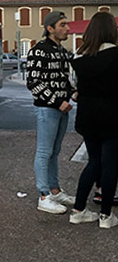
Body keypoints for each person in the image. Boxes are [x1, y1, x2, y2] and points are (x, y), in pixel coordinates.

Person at [70, 12, 118, 228]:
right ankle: (106, 215)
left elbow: (74, 86)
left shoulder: (78, 59)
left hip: (87, 116)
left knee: (94, 162)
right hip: (113, 116)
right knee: (111, 165)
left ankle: (78, 209)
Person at [26, 11, 76, 214]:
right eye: (63, 25)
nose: (67, 28)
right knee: (45, 151)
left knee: (54, 152)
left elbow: (64, 79)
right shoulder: (39, 51)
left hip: (61, 108)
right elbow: (33, 83)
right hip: (48, 109)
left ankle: (55, 191)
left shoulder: (61, 51)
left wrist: (72, 92)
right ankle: (44, 195)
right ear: (50, 28)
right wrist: (57, 101)